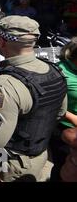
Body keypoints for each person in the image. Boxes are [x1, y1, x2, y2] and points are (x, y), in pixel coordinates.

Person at [0, 16, 68, 182]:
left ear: (2, 42)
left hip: (11, 162)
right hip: (39, 154)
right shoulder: (55, 71)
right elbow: (59, 113)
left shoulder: (4, 84)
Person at [49, 37, 77, 181]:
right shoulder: (60, 72)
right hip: (64, 128)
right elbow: (50, 103)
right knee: (64, 169)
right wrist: (71, 117)